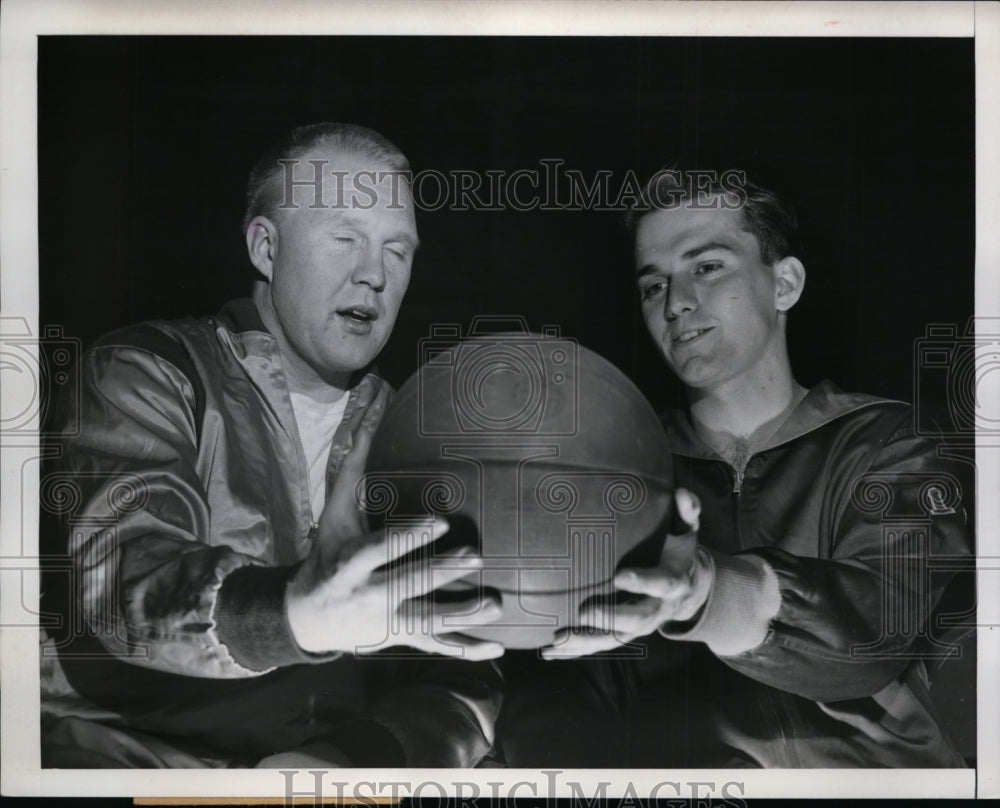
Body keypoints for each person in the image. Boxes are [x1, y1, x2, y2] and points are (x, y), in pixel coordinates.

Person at [39, 122, 504, 769]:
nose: (373, 274)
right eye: (345, 238)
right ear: (265, 247)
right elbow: (119, 578)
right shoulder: (146, 370)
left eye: (398, 251)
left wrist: (353, 759)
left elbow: (471, 668)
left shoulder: (420, 439)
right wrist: (291, 615)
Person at [543, 169, 972, 767]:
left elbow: (877, 631)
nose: (677, 303)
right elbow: (575, 694)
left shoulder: (889, 443)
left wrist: (709, 590)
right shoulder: (618, 476)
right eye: (653, 286)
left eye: (707, 266)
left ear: (785, 284)